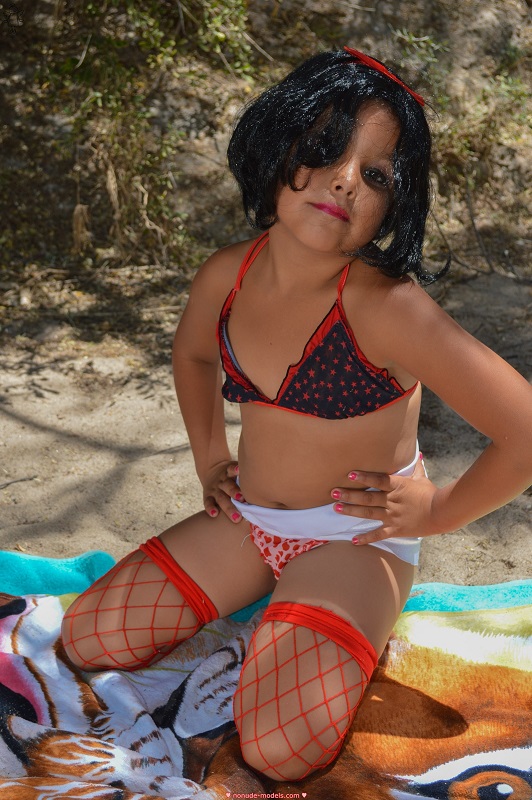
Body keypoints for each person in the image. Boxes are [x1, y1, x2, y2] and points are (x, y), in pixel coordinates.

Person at [61, 48, 532, 782]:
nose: (346, 178)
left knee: (279, 749)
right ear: (278, 146)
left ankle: (323, 614)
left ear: (394, 207)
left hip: (356, 537)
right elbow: (194, 355)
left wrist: (438, 511)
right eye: (326, 147)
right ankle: (283, 608)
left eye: (377, 175)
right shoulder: (228, 275)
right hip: (250, 519)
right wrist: (210, 459)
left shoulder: (389, 308)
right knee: (89, 637)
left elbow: (524, 430)